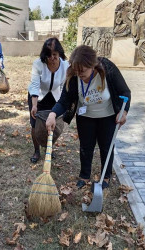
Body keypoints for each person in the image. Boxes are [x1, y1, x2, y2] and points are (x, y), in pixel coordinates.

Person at [46, 45, 131, 189]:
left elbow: (125, 92)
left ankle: (106, 176)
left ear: (92, 65)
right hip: (85, 116)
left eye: (83, 71)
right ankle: (85, 176)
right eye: (76, 70)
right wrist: (53, 113)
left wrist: (124, 112)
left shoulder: (107, 68)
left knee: (106, 147)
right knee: (86, 147)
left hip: (108, 116)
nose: (79, 74)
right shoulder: (74, 75)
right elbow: (64, 100)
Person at [28, 37, 69, 163]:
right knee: (35, 125)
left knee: (52, 125)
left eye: (55, 55)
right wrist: (34, 105)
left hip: (55, 97)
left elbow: (66, 86)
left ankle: (49, 149)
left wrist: (63, 103)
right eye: (49, 55)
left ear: (60, 54)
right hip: (38, 96)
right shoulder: (38, 64)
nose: (52, 58)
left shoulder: (66, 66)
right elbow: (35, 85)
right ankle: (36, 151)